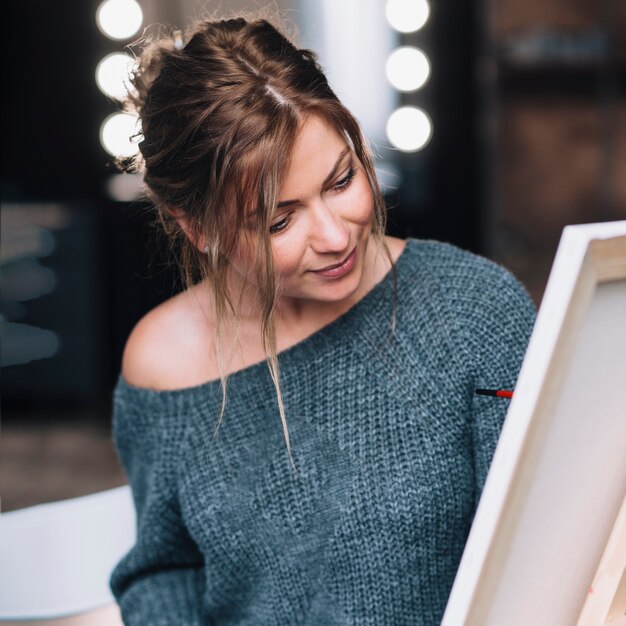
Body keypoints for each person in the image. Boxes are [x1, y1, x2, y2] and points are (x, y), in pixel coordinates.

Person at [109, 15, 537, 626]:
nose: (336, 237)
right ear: (197, 228)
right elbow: (165, 570)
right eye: (279, 221)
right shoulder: (161, 365)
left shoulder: (476, 311)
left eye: (342, 181)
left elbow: (546, 545)